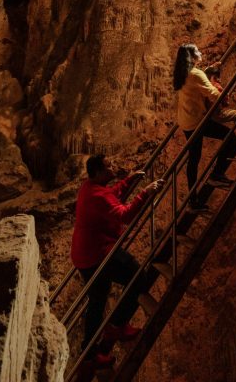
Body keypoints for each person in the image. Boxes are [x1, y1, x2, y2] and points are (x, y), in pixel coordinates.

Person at [70, 154, 160, 363]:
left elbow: (109, 194)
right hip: (98, 254)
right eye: (109, 166)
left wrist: (128, 181)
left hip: (86, 255)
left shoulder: (89, 187)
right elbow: (124, 215)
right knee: (138, 277)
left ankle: (89, 353)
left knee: (97, 300)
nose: (113, 166)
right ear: (99, 172)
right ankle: (117, 326)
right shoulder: (97, 196)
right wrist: (145, 193)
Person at [173, 43, 236, 208]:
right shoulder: (195, 74)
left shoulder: (182, 72)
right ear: (192, 57)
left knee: (194, 159)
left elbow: (198, 79)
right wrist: (223, 93)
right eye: (197, 51)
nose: (200, 52)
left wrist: (209, 70)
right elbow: (212, 93)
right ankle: (217, 174)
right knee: (231, 138)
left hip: (186, 120)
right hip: (197, 122)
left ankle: (193, 200)